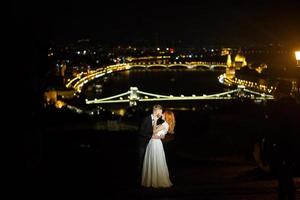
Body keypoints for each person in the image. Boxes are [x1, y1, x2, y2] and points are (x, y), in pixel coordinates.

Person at [141, 110, 175, 188]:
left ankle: (155, 181)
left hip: (155, 143)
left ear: (166, 116)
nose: (161, 114)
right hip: (154, 142)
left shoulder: (164, 124)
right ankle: (153, 180)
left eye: (163, 113)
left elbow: (153, 131)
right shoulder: (164, 124)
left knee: (154, 160)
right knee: (154, 161)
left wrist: (155, 120)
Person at [137, 105, 164, 185]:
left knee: (150, 162)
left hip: (153, 145)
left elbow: (160, 130)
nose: (161, 113)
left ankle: (150, 178)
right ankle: (141, 180)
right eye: (160, 111)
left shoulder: (159, 120)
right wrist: (151, 136)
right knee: (142, 161)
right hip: (144, 143)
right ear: (156, 111)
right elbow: (141, 132)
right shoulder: (146, 119)